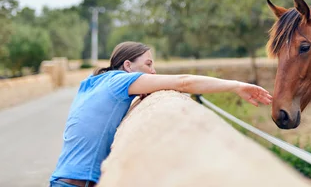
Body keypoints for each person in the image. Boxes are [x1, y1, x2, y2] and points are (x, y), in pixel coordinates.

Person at [50, 41, 272, 187]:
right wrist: (236, 86)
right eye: (148, 64)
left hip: (61, 178)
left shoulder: (91, 83)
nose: (153, 71)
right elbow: (184, 82)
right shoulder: (121, 81)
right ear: (128, 66)